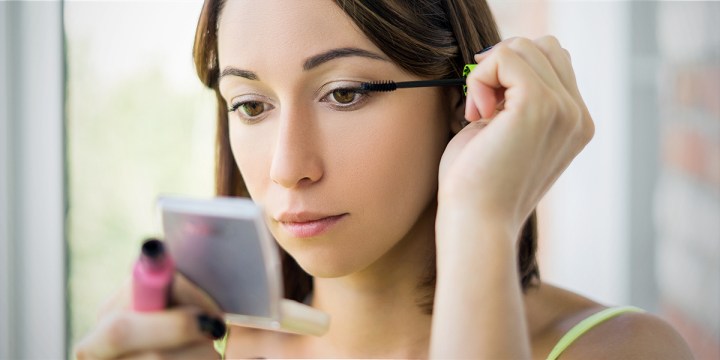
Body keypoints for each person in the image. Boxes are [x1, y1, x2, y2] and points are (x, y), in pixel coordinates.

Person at [75, 0, 694, 358]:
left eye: (344, 94)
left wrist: (480, 221)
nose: (288, 168)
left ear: (463, 97)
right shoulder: (180, 349)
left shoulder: (621, 351)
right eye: (251, 105)